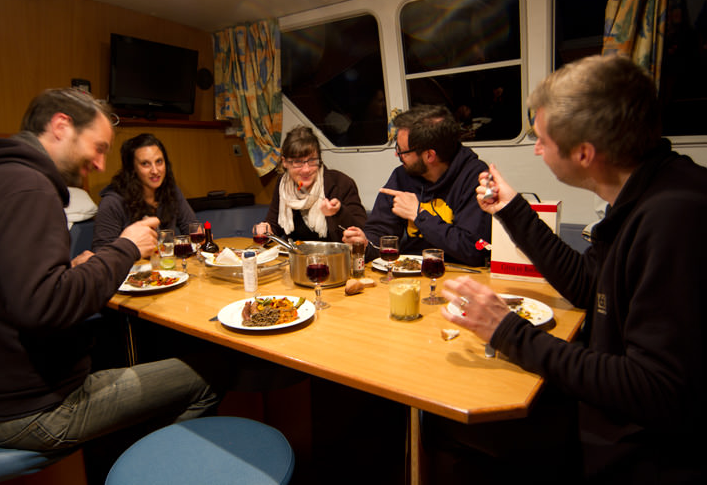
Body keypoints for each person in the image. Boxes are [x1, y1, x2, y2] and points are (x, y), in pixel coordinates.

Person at [436, 55, 707, 483]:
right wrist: (511, 207)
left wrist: (506, 330)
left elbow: (655, 390)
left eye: (542, 139)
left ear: (584, 153)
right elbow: (588, 284)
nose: (538, 149)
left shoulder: (675, 219)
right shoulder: (646, 190)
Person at [0, 89, 221, 479]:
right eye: (97, 148)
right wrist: (126, 247)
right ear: (61, 126)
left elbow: (10, 286)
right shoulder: (29, 188)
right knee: (209, 374)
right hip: (32, 410)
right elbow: (44, 306)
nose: (99, 164)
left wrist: (72, 267)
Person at [342, 104, 491, 266]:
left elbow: (474, 249)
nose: (396, 154)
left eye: (402, 151)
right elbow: (380, 232)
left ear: (429, 155)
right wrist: (365, 243)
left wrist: (419, 215)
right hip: (408, 271)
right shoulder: (402, 176)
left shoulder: (475, 177)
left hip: (461, 275)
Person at [260, 125, 367, 242]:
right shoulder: (284, 184)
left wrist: (338, 212)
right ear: (285, 162)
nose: (306, 169)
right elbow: (274, 226)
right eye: (297, 162)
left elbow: (361, 231)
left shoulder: (341, 183)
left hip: (335, 256)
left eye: (312, 160)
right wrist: (265, 230)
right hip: (297, 257)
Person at [92, 133, 197, 251]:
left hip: (168, 265)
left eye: (159, 162)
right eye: (145, 164)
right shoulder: (112, 202)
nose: (155, 170)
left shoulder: (171, 190)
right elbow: (101, 252)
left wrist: (200, 237)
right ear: (132, 169)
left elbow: (192, 229)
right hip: (131, 267)